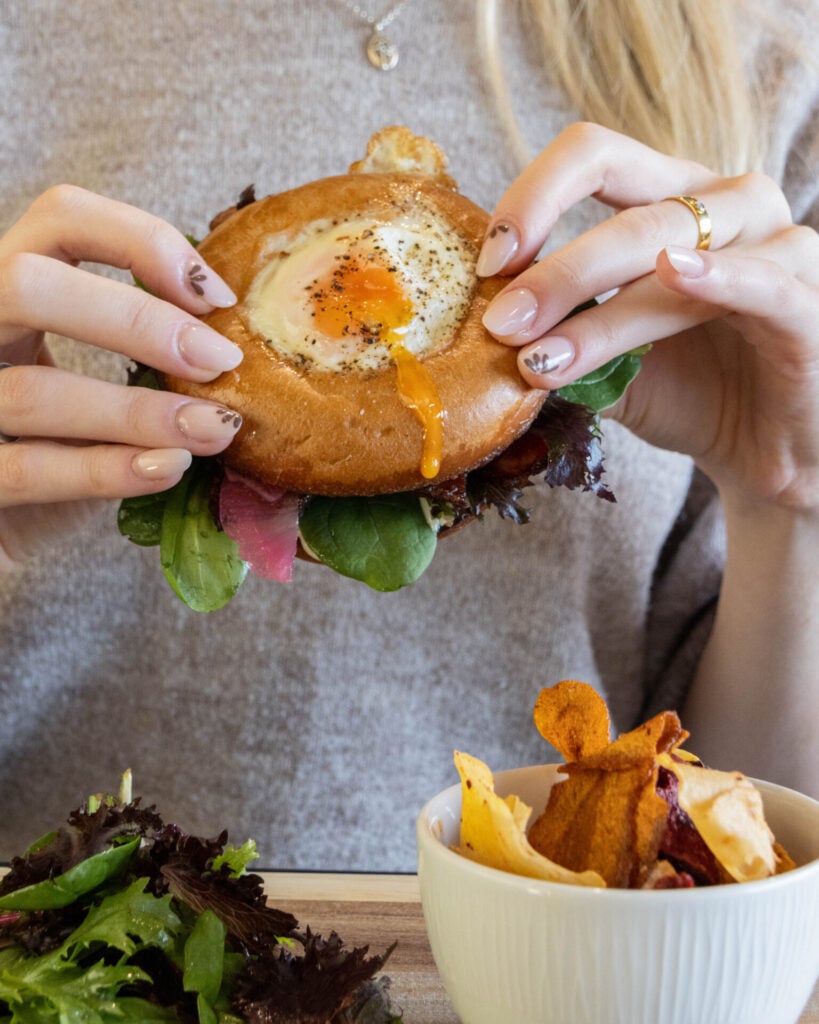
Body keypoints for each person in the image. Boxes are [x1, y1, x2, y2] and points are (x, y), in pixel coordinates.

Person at [0, 0, 816, 869]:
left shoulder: (759, 62)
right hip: (81, 943)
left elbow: (760, 863)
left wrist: (791, 503)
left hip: (561, 946)